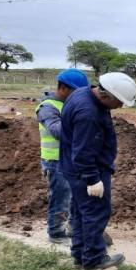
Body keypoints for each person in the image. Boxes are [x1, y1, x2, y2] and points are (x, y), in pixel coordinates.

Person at [59, 72, 136, 270]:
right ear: (106, 95)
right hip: (85, 172)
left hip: (73, 169)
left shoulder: (82, 94)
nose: (120, 107)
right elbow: (83, 152)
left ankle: (79, 255)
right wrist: (93, 179)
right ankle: (94, 259)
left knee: (80, 212)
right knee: (96, 212)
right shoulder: (88, 113)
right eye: (119, 102)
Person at [35, 68, 89, 244]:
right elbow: (57, 131)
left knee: (75, 196)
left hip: (72, 159)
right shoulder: (47, 108)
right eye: (77, 92)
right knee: (61, 197)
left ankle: (74, 228)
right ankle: (56, 233)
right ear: (64, 88)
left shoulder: (69, 104)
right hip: (54, 162)